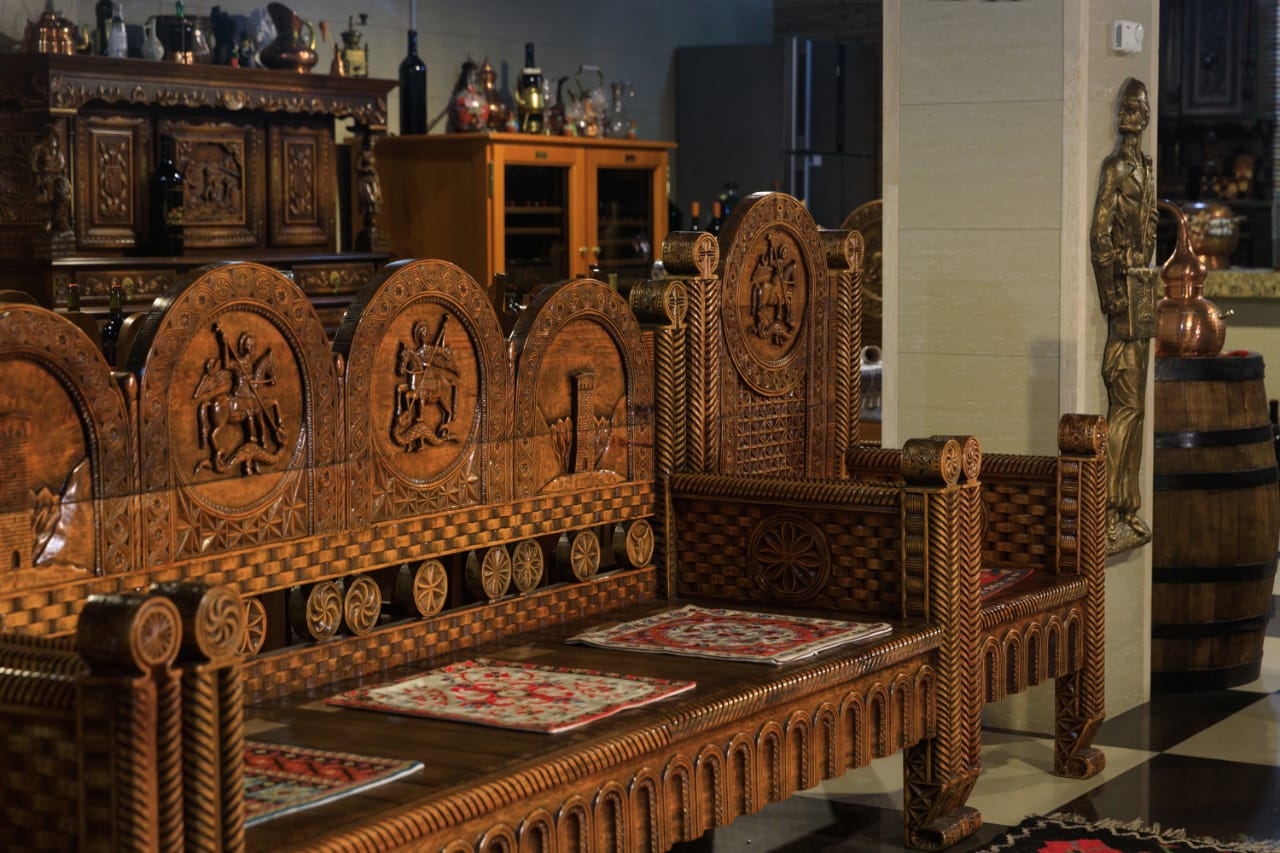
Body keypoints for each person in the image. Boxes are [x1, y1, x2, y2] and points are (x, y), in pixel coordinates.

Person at [1090, 78, 1158, 553]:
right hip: (1123, 291)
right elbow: (1100, 235)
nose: (1131, 115)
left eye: (1138, 109)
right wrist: (1111, 291)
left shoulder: (1147, 168)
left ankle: (1128, 507)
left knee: (1138, 407)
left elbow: (1149, 223)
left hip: (1142, 289)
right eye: (1126, 108)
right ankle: (1108, 507)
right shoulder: (1115, 168)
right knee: (1126, 403)